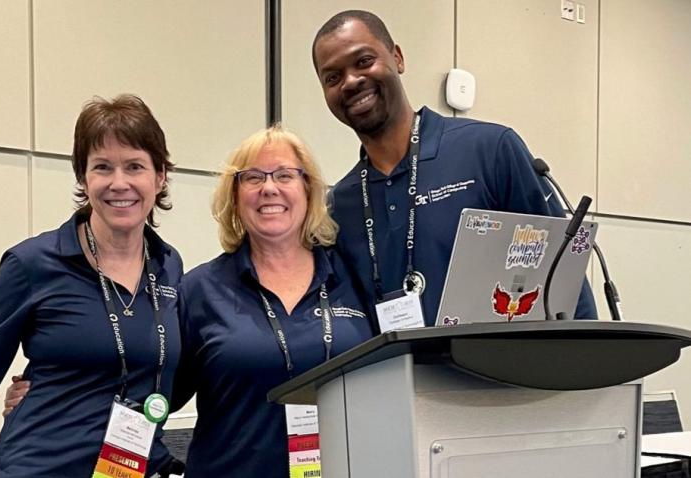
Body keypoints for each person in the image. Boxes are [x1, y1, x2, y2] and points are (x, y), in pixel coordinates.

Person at [0, 94, 184, 477]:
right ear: (84, 177)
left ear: (159, 176)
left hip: (127, 469)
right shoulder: (33, 264)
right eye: (102, 167)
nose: (119, 183)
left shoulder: (167, 266)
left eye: (134, 166)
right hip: (40, 467)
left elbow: (164, 372)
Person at [311, 10, 597, 328]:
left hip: (499, 374)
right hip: (395, 376)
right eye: (333, 77)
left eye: (363, 61)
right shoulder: (340, 205)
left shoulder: (490, 150)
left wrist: (587, 370)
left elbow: (563, 279)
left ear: (397, 58)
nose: (351, 81)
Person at [172, 125, 374, 477]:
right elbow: (157, 395)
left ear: (308, 189)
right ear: (234, 196)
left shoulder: (355, 279)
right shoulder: (199, 290)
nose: (269, 188)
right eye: (252, 178)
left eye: (284, 175)